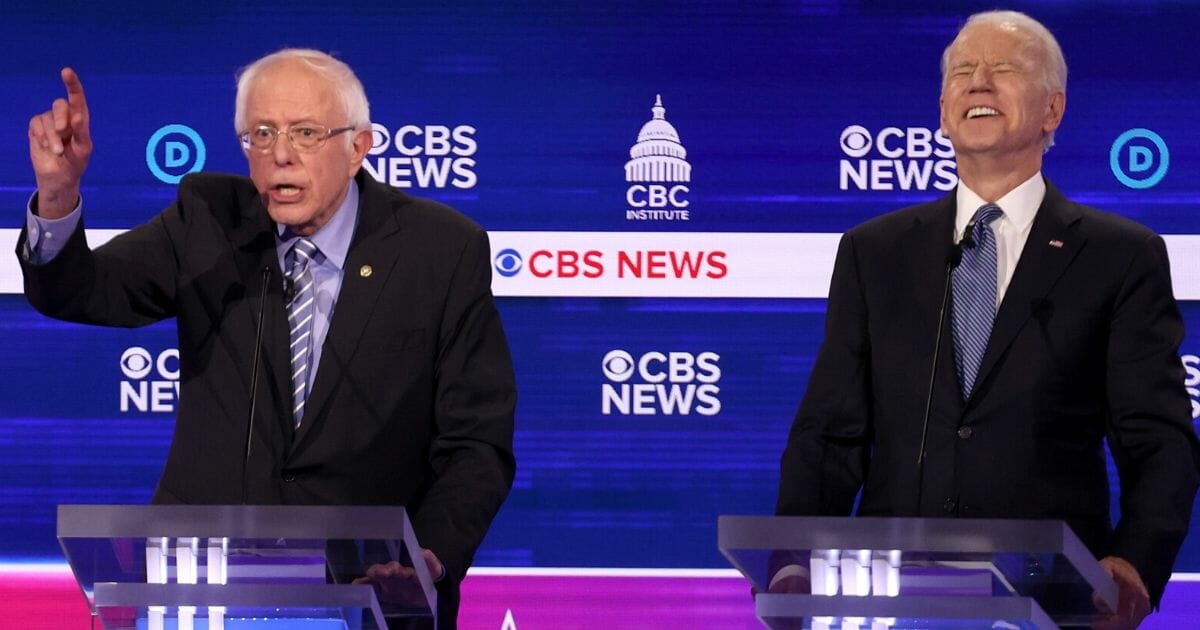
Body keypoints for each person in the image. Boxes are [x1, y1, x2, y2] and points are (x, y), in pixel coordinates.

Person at [20, 49, 515, 629]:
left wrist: (427, 556)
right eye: (261, 133)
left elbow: (475, 442)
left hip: (370, 598)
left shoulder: (440, 250)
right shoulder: (207, 221)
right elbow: (80, 291)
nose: (280, 154)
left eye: (306, 133)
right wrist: (57, 197)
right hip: (207, 598)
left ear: (358, 147)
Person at [774, 10, 1199, 629]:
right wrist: (792, 559)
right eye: (962, 73)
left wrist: (1133, 563)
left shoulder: (1119, 255)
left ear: (1052, 110)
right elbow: (829, 431)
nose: (978, 82)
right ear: (945, 112)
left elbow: (1159, 437)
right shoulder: (875, 251)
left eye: (1003, 69)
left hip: (1051, 601)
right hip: (887, 600)